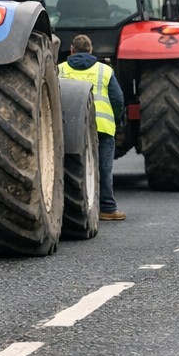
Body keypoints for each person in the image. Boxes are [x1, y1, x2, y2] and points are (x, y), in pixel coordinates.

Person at [58, 34, 125, 220]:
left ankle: (68, 209)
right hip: (102, 127)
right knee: (103, 168)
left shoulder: (59, 70)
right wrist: (116, 120)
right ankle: (107, 208)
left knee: (69, 167)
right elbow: (118, 100)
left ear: (71, 50)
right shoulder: (104, 70)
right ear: (91, 50)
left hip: (68, 128)